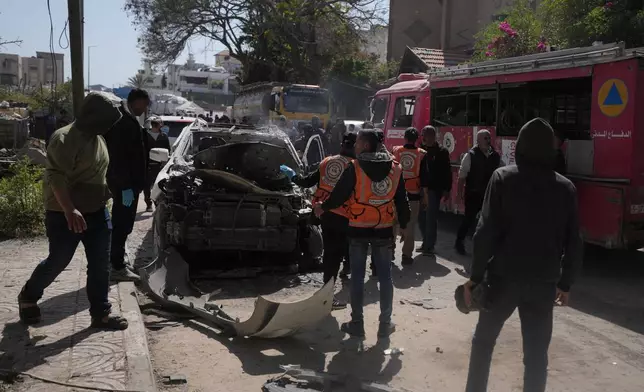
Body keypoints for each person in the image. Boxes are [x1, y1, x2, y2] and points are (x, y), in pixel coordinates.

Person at [463, 118, 583, 392]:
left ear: (521, 146)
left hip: (503, 278)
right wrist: (566, 284)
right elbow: (574, 241)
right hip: (544, 283)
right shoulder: (566, 188)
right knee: (537, 355)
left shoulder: (503, 177)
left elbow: (486, 232)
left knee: (483, 342)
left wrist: (475, 277)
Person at [18, 93, 129, 330]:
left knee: (100, 264)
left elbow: (98, 172)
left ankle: (101, 314)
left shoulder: (98, 139)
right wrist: (70, 209)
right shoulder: (64, 138)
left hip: (97, 211)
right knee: (58, 260)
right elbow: (55, 176)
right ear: (92, 116)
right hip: (64, 212)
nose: (109, 125)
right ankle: (28, 296)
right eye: (106, 120)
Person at [315, 130, 410, 338]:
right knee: (385, 277)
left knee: (357, 277)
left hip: (358, 228)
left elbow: (339, 195)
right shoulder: (395, 168)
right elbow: (402, 200)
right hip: (383, 229)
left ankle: (357, 323)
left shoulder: (355, 168)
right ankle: (385, 324)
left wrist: (323, 206)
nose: (355, 146)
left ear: (366, 145)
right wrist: (403, 224)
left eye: (358, 142)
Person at [283, 133, 357, 309]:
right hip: (344, 215)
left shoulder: (326, 162)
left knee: (331, 252)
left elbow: (307, 182)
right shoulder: (355, 167)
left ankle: (327, 291)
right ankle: (327, 296)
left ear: (341, 145)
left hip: (323, 213)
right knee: (335, 255)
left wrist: (292, 176)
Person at [104, 88, 150, 282]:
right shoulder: (124, 122)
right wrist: (125, 187)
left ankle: (117, 259)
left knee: (123, 223)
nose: (146, 109)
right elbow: (120, 158)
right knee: (122, 223)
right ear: (136, 102)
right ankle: (117, 266)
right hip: (125, 185)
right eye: (145, 104)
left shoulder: (126, 119)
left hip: (126, 184)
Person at [455, 129, 503, 255]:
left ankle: (488, 249)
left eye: (489, 138)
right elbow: (462, 176)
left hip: (489, 194)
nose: (488, 140)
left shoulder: (495, 156)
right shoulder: (470, 155)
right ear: (478, 140)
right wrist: (459, 194)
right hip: (473, 193)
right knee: (468, 219)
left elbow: (502, 171)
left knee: (489, 221)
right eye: (485, 138)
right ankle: (459, 242)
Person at [392, 128, 426, 265]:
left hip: (395, 195)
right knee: (410, 226)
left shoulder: (396, 151)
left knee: (392, 224)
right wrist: (425, 197)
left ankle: (390, 253)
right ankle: (406, 256)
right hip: (413, 195)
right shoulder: (421, 154)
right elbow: (424, 178)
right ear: (417, 139)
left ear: (404, 138)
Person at [418, 126, 452, 255]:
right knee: (421, 217)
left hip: (434, 189)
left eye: (425, 135)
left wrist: (447, 189)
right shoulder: (421, 150)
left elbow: (447, 172)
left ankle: (429, 246)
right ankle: (425, 241)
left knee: (431, 218)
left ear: (431, 136)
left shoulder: (442, 151)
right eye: (423, 135)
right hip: (420, 189)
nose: (424, 138)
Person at [144, 116, 171, 212]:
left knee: (159, 184)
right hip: (147, 164)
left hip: (160, 165)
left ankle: (156, 203)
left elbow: (168, 150)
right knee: (146, 185)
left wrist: (166, 162)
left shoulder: (163, 136)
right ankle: (148, 203)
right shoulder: (145, 135)